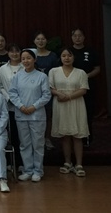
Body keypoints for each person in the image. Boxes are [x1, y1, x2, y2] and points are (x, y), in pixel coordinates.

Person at [9, 49, 51, 182]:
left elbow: (46, 95)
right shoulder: (17, 76)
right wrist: (21, 106)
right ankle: (28, 170)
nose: (25, 61)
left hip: (37, 115)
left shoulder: (42, 76)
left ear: (34, 59)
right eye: (23, 59)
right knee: (24, 144)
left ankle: (38, 170)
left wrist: (34, 106)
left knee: (37, 143)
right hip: (21, 115)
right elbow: (12, 93)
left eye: (28, 58)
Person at [49, 47, 89, 177]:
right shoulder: (53, 71)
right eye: (64, 55)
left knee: (77, 135)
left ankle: (79, 164)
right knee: (65, 135)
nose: (67, 58)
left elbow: (83, 89)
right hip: (60, 104)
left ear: (74, 57)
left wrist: (69, 97)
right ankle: (67, 162)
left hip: (76, 104)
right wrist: (59, 94)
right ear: (60, 58)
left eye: (69, 55)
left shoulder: (81, 72)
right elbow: (50, 88)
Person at [70, 28, 101, 146]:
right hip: (71, 87)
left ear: (84, 37)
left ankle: (87, 138)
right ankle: (73, 138)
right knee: (73, 113)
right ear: (72, 38)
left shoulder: (91, 51)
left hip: (88, 86)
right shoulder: (68, 51)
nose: (77, 38)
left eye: (80, 35)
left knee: (87, 112)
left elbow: (97, 68)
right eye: (75, 36)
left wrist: (85, 76)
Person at [0, 43, 23, 165]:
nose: (14, 54)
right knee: (12, 135)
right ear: (8, 53)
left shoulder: (25, 66)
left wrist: (20, 100)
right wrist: (9, 98)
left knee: (23, 136)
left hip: (24, 106)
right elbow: (0, 86)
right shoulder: (3, 69)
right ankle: (12, 163)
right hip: (10, 106)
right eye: (11, 51)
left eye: (17, 51)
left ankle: (22, 164)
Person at [33, 31, 59, 150]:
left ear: (46, 41)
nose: (40, 41)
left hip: (48, 89)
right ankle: (37, 139)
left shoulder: (52, 56)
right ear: (34, 41)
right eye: (38, 39)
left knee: (48, 116)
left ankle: (47, 138)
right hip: (34, 90)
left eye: (43, 39)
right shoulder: (31, 55)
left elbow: (56, 73)